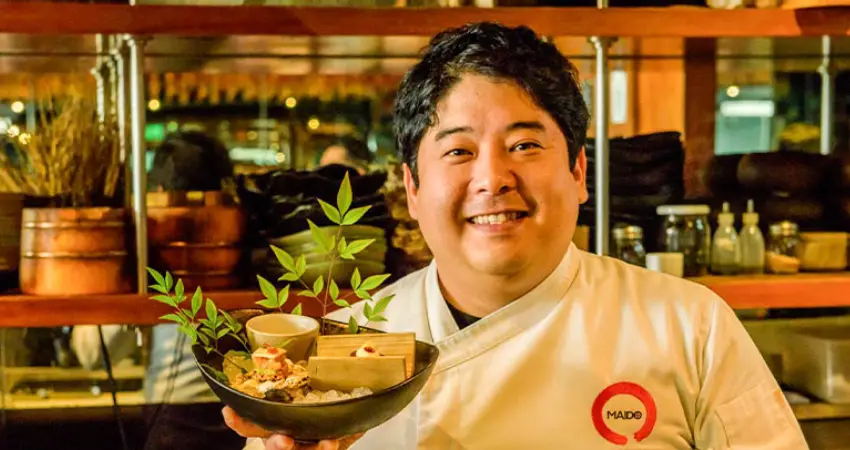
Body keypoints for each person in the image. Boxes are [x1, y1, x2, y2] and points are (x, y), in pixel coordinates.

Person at [225, 22, 809, 450]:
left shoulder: (689, 325)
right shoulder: (337, 351)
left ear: (579, 172)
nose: (492, 180)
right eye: (458, 151)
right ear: (412, 187)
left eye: (525, 145)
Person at [72, 130, 246, 450]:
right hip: (248, 410)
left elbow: (93, 353)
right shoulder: (246, 240)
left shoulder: (153, 254)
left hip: (176, 412)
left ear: (160, 192)